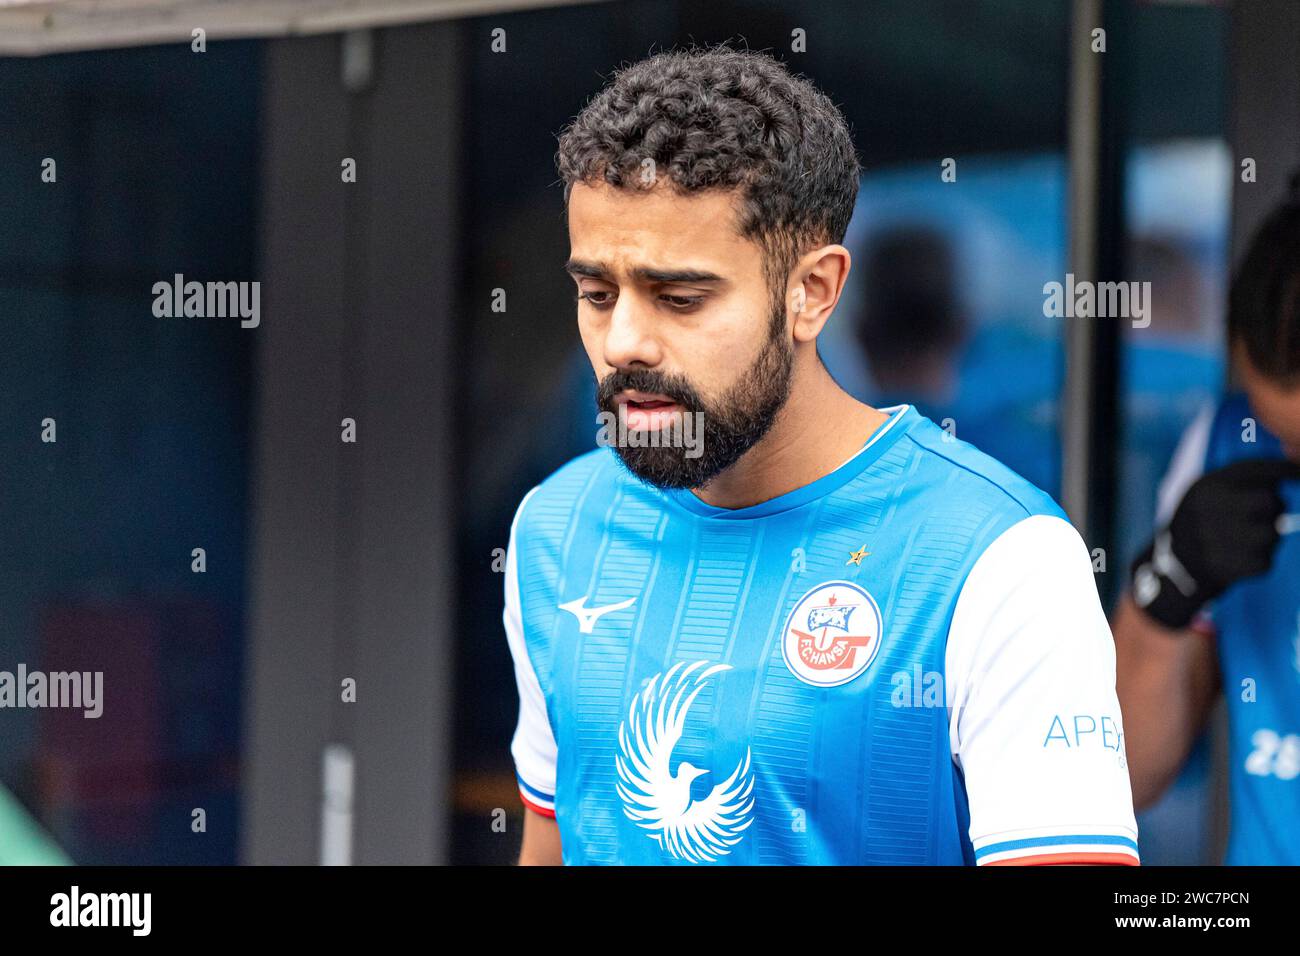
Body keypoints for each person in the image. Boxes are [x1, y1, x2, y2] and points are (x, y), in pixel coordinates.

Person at [503, 44, 1138, 865]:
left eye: (681, 297)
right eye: (597, 294)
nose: (624, 340)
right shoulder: (556, 526)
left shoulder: (1001, 558)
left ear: (814, 291)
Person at [1115, 180, 1300, 864]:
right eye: (1284, 436)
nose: (1286, 458)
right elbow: (1118, 777)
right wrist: (1167, 590)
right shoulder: (1227, 446)